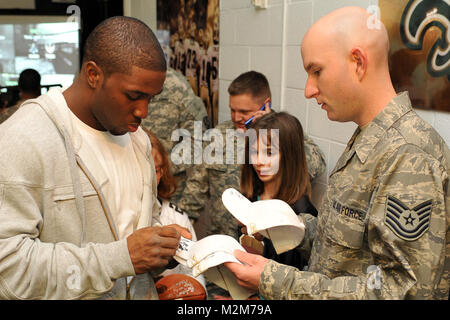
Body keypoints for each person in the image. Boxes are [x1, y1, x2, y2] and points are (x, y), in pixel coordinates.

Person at [225, 6, 449, 300]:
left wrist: (275, 279)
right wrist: (290, 227)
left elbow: (404, 291)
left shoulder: (407, 154)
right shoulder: (371, 138)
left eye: (316, 71)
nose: (308, 90)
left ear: (358, 62)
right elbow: (348, 244)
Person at [0, 16, 191, 300]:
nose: (143, 112)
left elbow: (139, 226)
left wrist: (162, 246)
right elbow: (8, 270)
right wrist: (120, 258)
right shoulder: (23, 139)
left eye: (151, 98)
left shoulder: (138, 140)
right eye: (133, 95)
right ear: (93, 74)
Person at [177, 70, 326, 241]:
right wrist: (180, 227)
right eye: (232, 110)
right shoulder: (218, 136)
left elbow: (316, 165)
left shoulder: (282, 133)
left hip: (268, 245)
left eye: (244, 111)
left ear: (265, 104)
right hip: (224, 240)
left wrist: (272, 125)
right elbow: (195, 189)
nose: (236, 117)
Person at [240, 112, 318, 270]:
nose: (259, 162)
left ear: (289, 155)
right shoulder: (251, 196)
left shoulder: (301, 212)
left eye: (269, 152)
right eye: (254, 152)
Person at [141, 67, 208, 222]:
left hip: (167, 190)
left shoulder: (177, 86)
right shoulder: (118, 78)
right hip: (129, 187)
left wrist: (163, 167)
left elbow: (198, 139)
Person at [145, 128, 206, 290]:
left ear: (162, 171)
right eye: (144, 170)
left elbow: (195, 274)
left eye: (155, 170)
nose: (150, 179)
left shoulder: (176, 217)